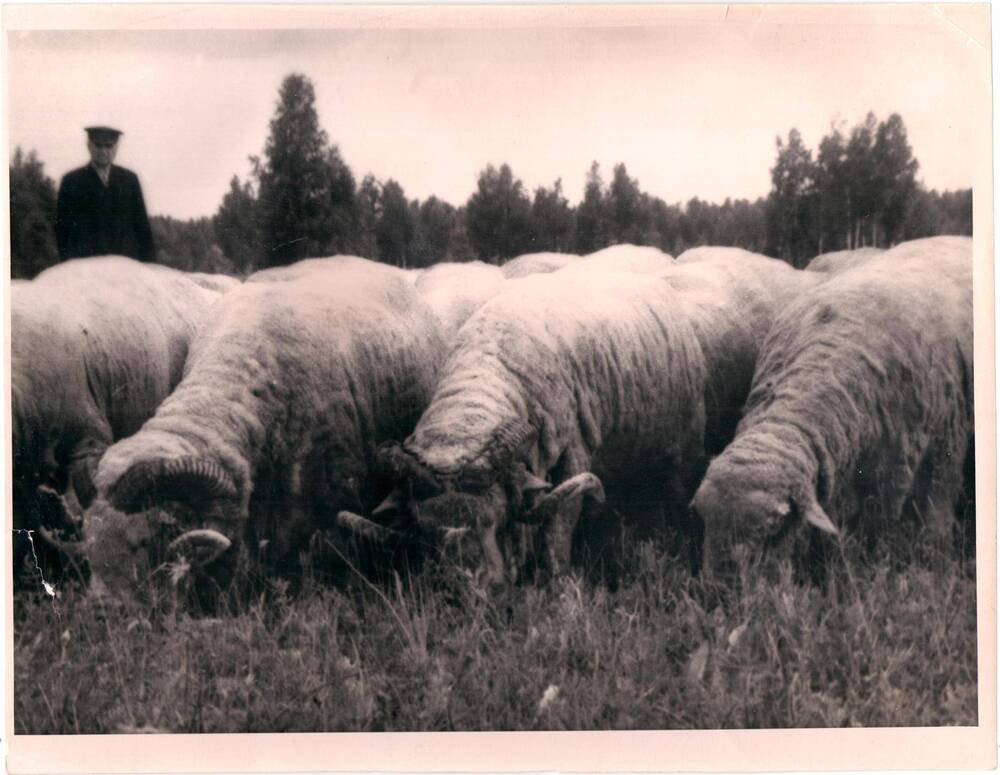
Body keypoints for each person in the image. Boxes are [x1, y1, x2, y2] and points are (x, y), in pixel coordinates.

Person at [55, 126, 155, 262]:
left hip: (125, 265)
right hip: (85, 267)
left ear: (116, 148)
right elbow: (62, 230)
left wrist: (148, 266)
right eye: (98, 145)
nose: (103, 151)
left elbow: (142, 226)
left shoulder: (130, 180)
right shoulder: (72, 181)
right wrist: (68, 264)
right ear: (89, 145)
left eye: (109, 146)